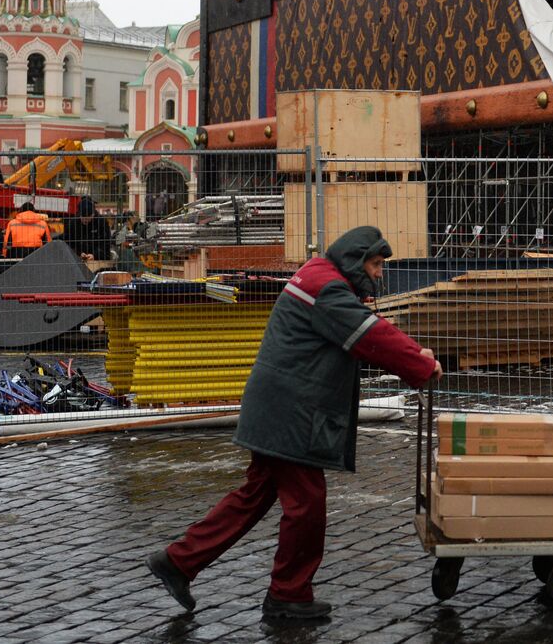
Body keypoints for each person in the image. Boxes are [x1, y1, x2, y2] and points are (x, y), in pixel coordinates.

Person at [146, 226, 441, 625]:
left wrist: (410, 355)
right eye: (375, 264)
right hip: (291, 413)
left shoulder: (321, 278)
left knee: (254, 496)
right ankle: (288, 596)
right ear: (355, 260)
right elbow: (370, 335)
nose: (379, 274)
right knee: (306, 506)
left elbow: (356, 336)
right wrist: (421, 364)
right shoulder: (329, 289)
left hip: (278, 408)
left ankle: (178, 562)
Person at [61, 196, 113, 262]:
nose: (85, 220)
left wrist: (95, 255)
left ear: (93, 215)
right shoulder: (73, 223)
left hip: (98, 261)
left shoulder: (101, 222)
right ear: (79, 215)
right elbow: (68, 242)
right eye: (83, 218)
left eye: (88, 218)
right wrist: (78, 253)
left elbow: (106, 244)